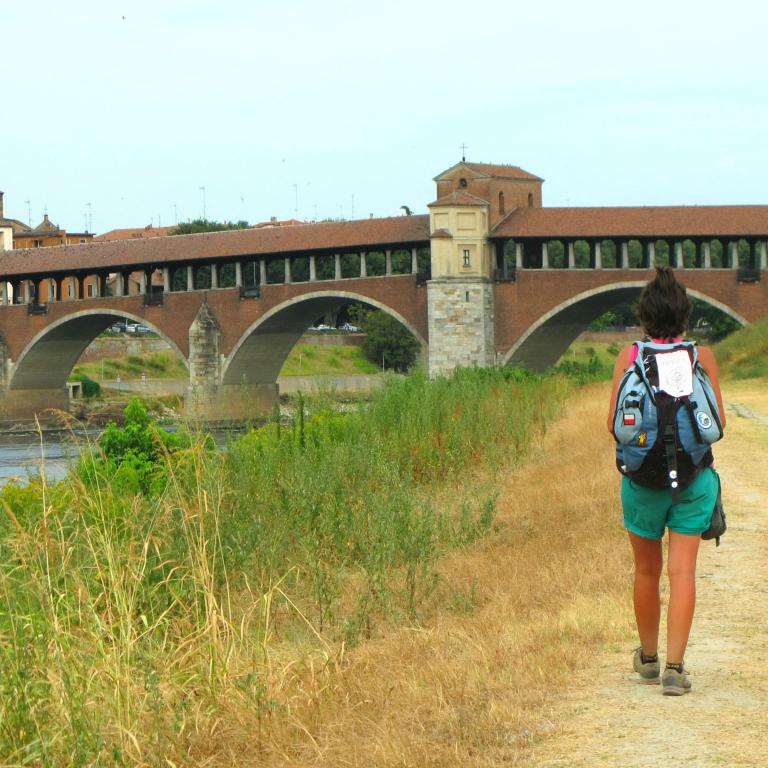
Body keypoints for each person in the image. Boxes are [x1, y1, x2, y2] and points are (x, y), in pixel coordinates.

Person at [606, 266, 726, 696]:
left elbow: (614, 425)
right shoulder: (703, 358)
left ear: (644, 315)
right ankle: (676, 668)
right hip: (695, 481)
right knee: (683, 572)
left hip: (642, 483)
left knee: (646, 570)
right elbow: (718, 425)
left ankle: (650, 657)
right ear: (685, 315)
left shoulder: (630, 358)